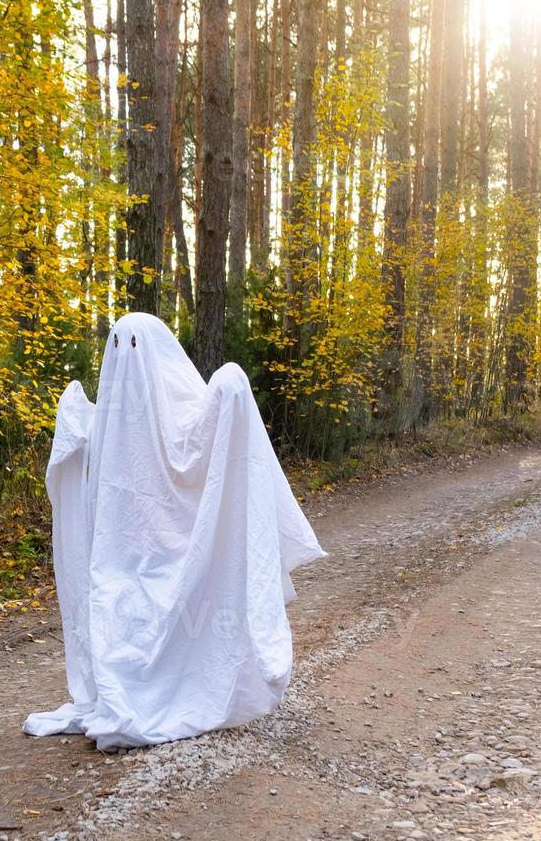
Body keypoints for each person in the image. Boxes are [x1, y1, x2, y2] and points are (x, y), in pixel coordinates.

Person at [24, 313, 325, 750]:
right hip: (119, 560)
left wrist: (231, 387)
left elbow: (205, 442)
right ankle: (122, 691)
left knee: (148, 607)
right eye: (115, 347)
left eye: (132, 347)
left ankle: (166, 687)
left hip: (166, 557)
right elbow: (78, 456)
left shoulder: (179, 420)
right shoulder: (102, 425)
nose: (123, 359)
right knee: (117, 606)